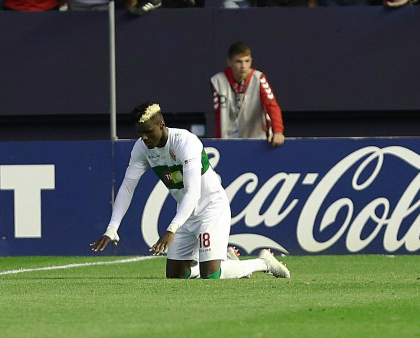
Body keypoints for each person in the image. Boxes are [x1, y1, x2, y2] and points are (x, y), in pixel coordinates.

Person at [90, 102, 290, 280]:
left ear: (161, 125)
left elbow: (193, 192)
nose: (144, 137)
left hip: (211, 208)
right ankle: (226, 261)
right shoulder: (141, 148)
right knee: (176, 275)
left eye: (148, 132)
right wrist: (112, 227)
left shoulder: (185, 142)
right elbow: (127, 187)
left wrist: (171, 229)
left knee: (211, 275)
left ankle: (264, 262)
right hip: (185, 213)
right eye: (140, 133)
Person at [210, 42, 284, 141]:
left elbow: (271, 105)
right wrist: (219, 142)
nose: (243, 66)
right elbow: (219, 117)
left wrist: (278, 131)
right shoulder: (217, 81)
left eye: (247, 61)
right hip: (228, 141)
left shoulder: (259, 78)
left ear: (251, 61)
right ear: (229, 62)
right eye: (238, 62)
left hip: (258, 140)